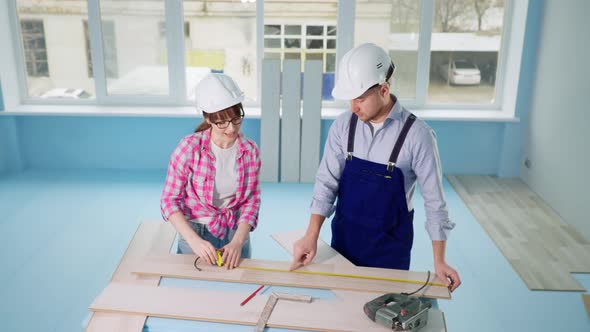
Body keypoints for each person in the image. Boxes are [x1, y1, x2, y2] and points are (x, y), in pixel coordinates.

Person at [290, 43, 461, 291]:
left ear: (383, 90)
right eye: (350, 99)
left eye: (360, 98)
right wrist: (311, 235)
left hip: (389, 254)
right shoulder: (343, 126)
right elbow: (326, 183)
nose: (353, 107)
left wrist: (439, 261)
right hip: (344, 247)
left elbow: (436, 204)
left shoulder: (418, 136)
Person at [161, 73, 261, 270]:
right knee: (193, 293)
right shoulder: (189, 148)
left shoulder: (250, 151)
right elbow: (169, 200)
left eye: (236, 119)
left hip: (235, 231)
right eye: (221, 122)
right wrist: (194, 241)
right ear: (208, 118)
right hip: (194, 230)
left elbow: (252, 200)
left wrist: (238, 242)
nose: (231, 129)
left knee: (238, 288)